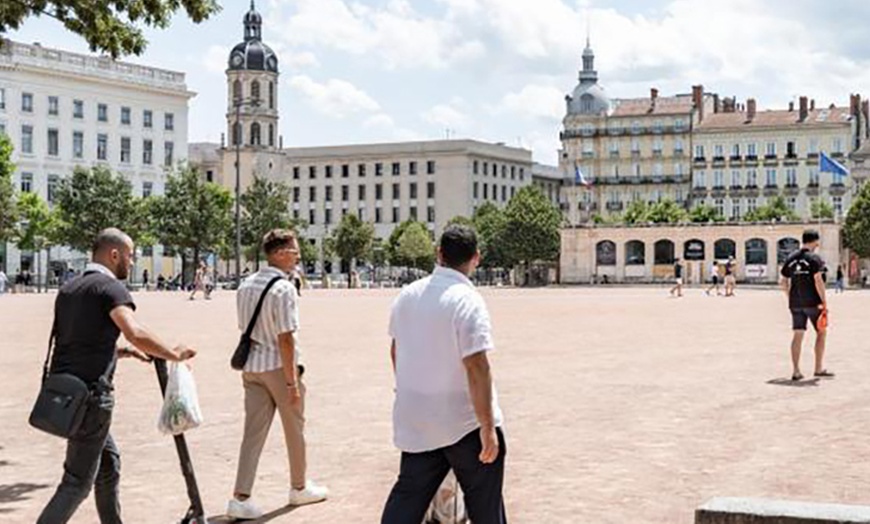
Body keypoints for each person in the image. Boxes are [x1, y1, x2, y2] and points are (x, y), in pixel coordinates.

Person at [37, 228, 197, 524]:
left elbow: (79, 342)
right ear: (114, 254)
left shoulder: (69, 289)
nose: (132, 262)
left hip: (69, 397)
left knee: (108, 465)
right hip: (92, 400)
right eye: (131, 255)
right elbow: (135, 331)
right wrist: (173, 353)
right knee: (76, 483)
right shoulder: (111, 289)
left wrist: (123, 352)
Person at [381, 224, 507, 524]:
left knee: (408, 497)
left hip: (418, 418)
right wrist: (487, 426)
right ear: (476, 258)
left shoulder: (407, 295)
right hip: (462, 421)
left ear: (439, 254)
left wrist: (410, 390)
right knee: (485, 504)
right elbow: (477, 365)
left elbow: (396, 351)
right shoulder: (467, 299)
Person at [227, 229, 328, 520]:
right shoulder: (282, 288)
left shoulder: (246, 285)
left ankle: (240, 496)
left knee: (252, 433)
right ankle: (299, 486)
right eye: (295, 251)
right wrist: (291, 382)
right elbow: (286, 339)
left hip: (251, 367)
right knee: (294, 428)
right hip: (277, 366)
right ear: (281, 253)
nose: (297, 256)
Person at [780, 229, 833, 382]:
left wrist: (790, 296)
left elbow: (782, 282)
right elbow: (818, 281)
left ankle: (796, 371)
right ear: (815, 241)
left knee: (798, 334)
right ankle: (818, 368)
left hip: (795, 303)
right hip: (813, 302)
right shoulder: (814, 258)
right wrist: (824, 301)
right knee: (821, 332)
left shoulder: (791, 258)